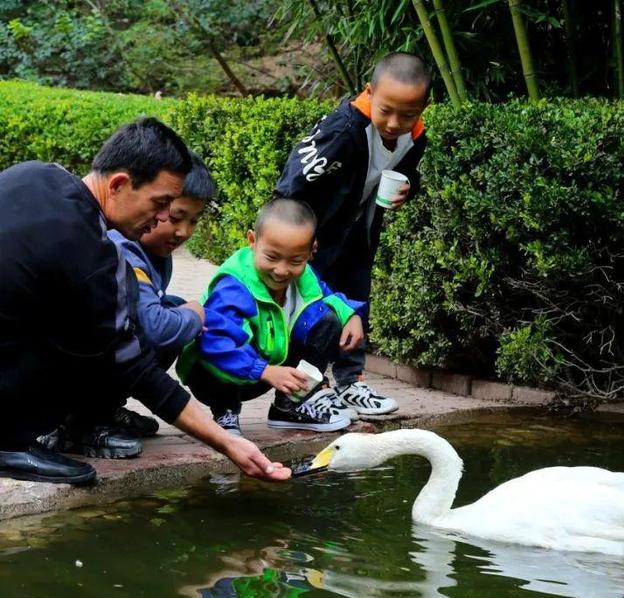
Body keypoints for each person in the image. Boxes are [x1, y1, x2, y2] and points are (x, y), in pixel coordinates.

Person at [0, 117, 290, 484]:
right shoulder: (94, 258)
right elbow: (136, 368)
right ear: (119, 184)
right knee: (119, 337)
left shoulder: (37, 174)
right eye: (160, 203)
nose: (163, 218)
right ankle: (13, 442)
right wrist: (226, 442)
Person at [275, 52, 430, 416]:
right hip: (312, 239)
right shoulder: (343, 130)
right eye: (386, 110)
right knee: (315, 311)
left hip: (358, 232)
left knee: (356, 301)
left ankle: (350, 382)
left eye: (408, 114)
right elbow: (292, 183)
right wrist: (298, 235)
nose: (394, 123)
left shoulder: (416, 135)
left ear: (424, 106)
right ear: (369, 92)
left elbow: (405, 172)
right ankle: (306, 389)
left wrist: (410, 187)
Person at [40, 151, 215, 459]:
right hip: (56, 366)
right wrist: (195, 313)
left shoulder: (154, 253)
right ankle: (77, 424)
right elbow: (155, 329)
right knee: (167, 321)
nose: (183, 232)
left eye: (194, 221)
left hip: (95, 353)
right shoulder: (120, 249)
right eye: (174, 216)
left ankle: (104, 410)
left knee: (171, 307)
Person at [176, 198, 366, 438]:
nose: (282, 270)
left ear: (310, 251)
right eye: (272, 257)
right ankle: (225, 413)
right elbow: (216, 343)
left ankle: (289, 405)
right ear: (252, 241)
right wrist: (264, 371)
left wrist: (350, 315)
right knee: (218, 353)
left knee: (328, 319)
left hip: (267, 370)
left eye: (295, 261)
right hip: (216, 373)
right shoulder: (234, 288)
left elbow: (325, 294)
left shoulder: (304, 276)